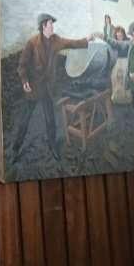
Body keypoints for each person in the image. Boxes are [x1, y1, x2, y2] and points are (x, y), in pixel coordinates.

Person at [12, 13, 93, 162]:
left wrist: (86, 40)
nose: (52, 26)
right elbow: (22, 65)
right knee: (25, 120)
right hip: (33, 87)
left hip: (47, 88)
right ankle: (15, 149)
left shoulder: (56, 40)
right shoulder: (32, 43)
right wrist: (24, 81)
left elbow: (71, 43)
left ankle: (52, 146)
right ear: (43, 26)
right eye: (50, 23)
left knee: (50, 119)